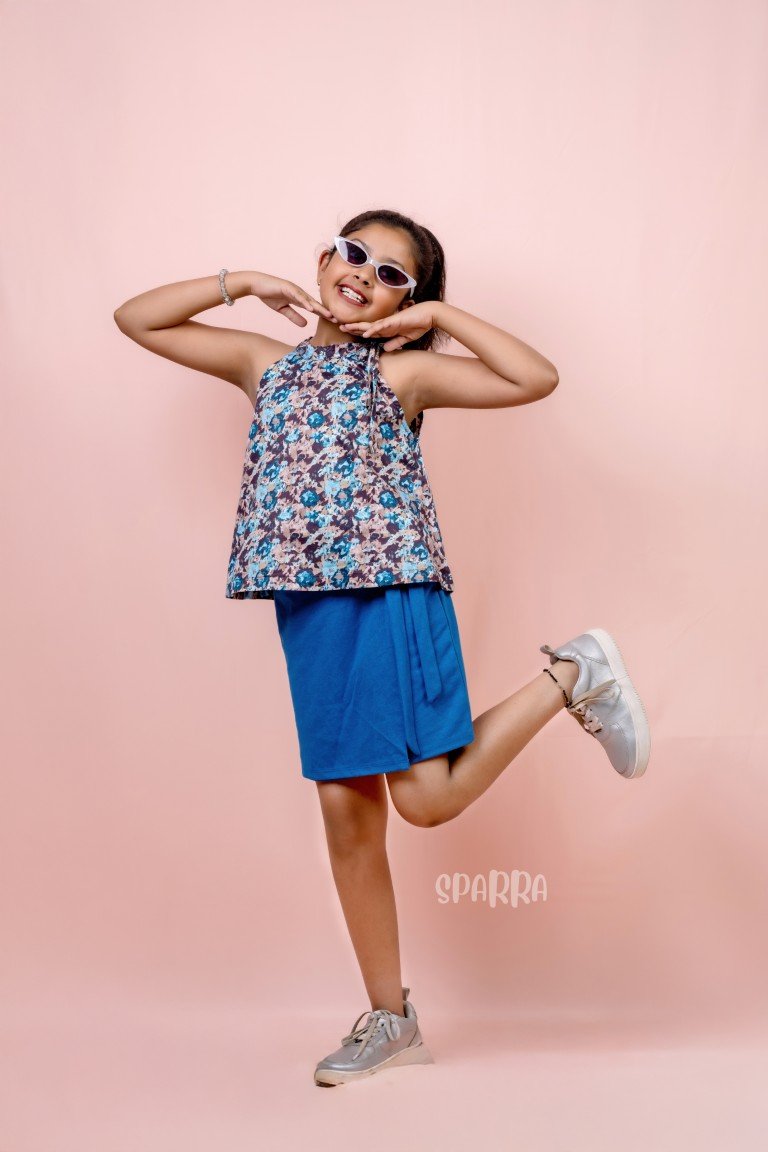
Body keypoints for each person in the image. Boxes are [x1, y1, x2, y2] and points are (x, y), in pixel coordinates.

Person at [113, 207, 651, 1087]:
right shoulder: (265, 363)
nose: (363, 273)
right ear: (325, 258)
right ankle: (391, 1020)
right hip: (307, 608)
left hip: (391, 593)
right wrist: (243, 283)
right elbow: (137, 319)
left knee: (426, 802)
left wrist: (439, 319)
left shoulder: (402, 374)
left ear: (407, 301)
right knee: (346, 816)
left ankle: (573, 673)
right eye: (354, 252)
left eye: (393, 273)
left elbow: (535, 377)